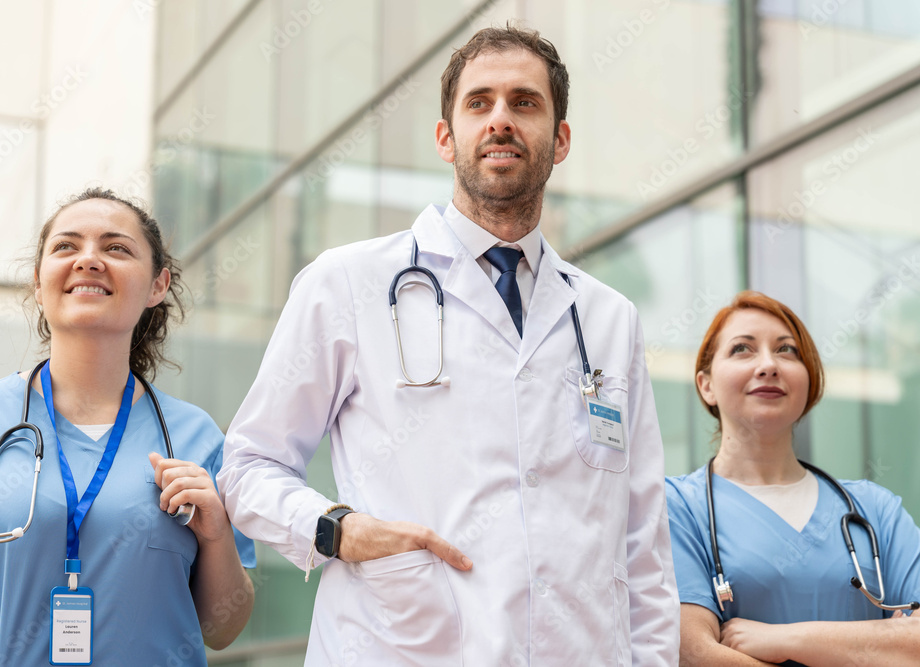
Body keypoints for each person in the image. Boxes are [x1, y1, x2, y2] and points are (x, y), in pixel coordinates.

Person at [218, 24, 678, 665]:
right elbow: (247, 469)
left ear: (561, 139)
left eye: (525, 103)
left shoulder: (608, 317)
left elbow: (643, 540)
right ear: (445, 137)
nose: (501, 120)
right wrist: (337, 529)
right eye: (478, 103)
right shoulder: (348, 282)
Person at [0, 189, 256, 666]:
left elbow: (221, 630)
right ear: (39, 283)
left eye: (116, 248)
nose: (89, 260)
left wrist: (217, 534)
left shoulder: (196, 437)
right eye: (66, 246)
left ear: (157, 286)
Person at [666, 291, 920, 666]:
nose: (769, 365)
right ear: (706, 385)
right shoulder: (677, 507)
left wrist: (782, 638)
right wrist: (884, 640)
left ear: (809, 380)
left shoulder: (875, 508)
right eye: (742, 349)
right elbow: (695, 654)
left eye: (787, 351)